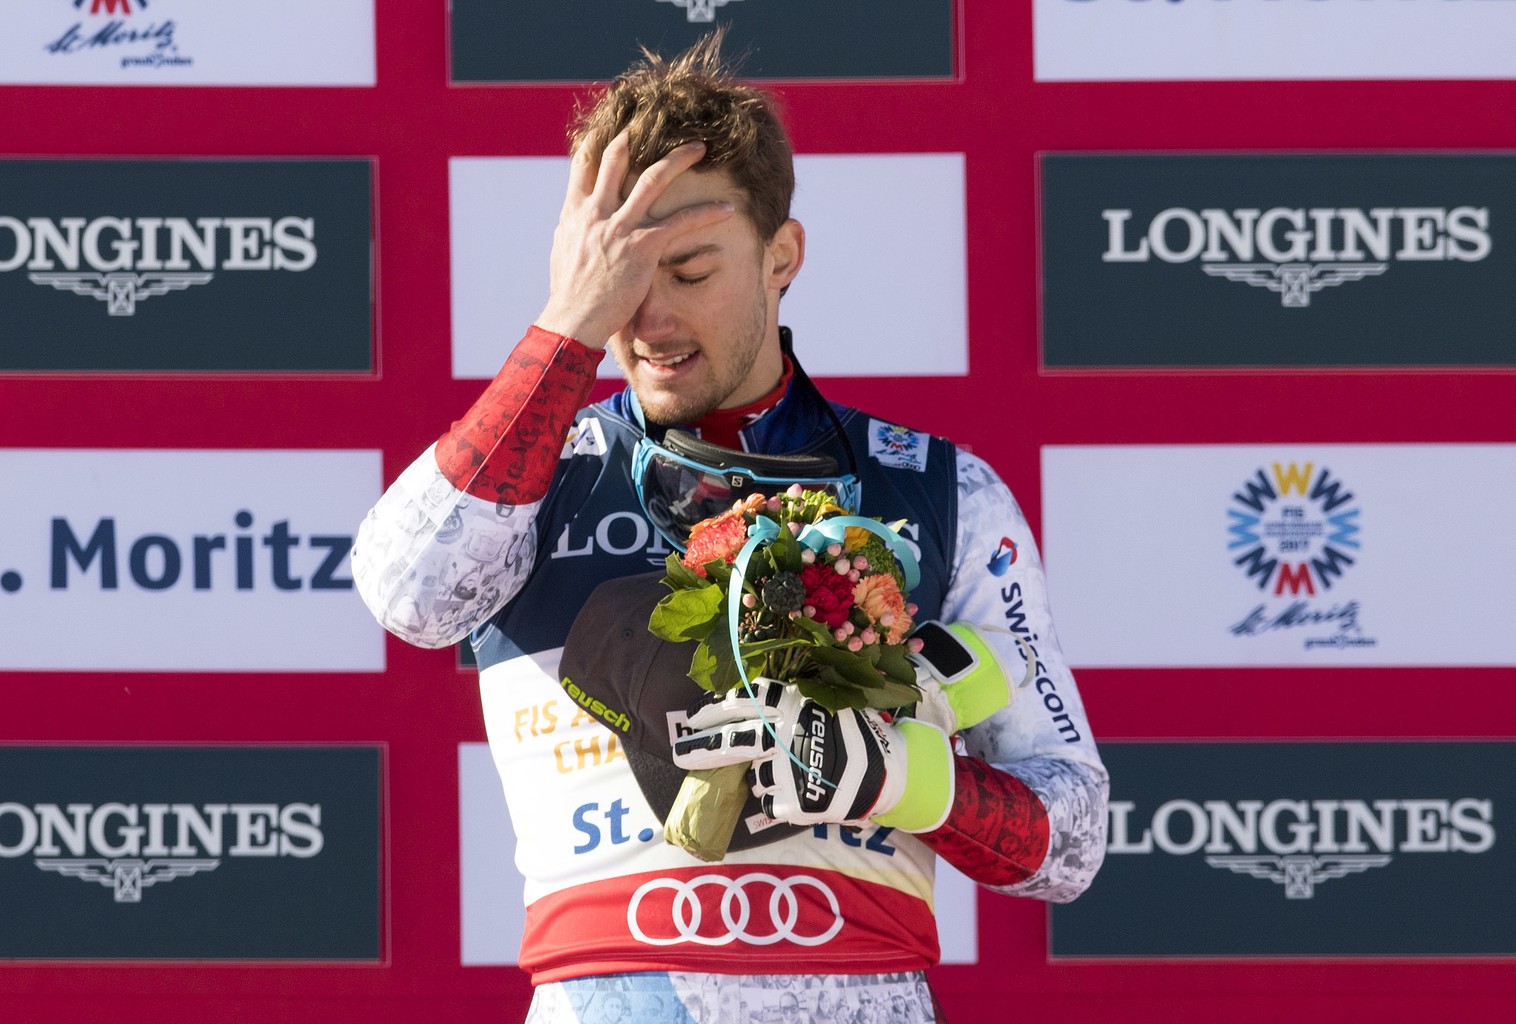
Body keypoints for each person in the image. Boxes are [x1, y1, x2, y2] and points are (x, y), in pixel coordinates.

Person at [352, 30, 1107, 1024]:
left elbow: (1071, 840)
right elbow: (407, 597)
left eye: (691, 269)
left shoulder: (936, 490)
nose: (648, 315)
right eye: (618, 275)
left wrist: (901, 778)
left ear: (782, 256)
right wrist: (566, 328)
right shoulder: (532, 475)